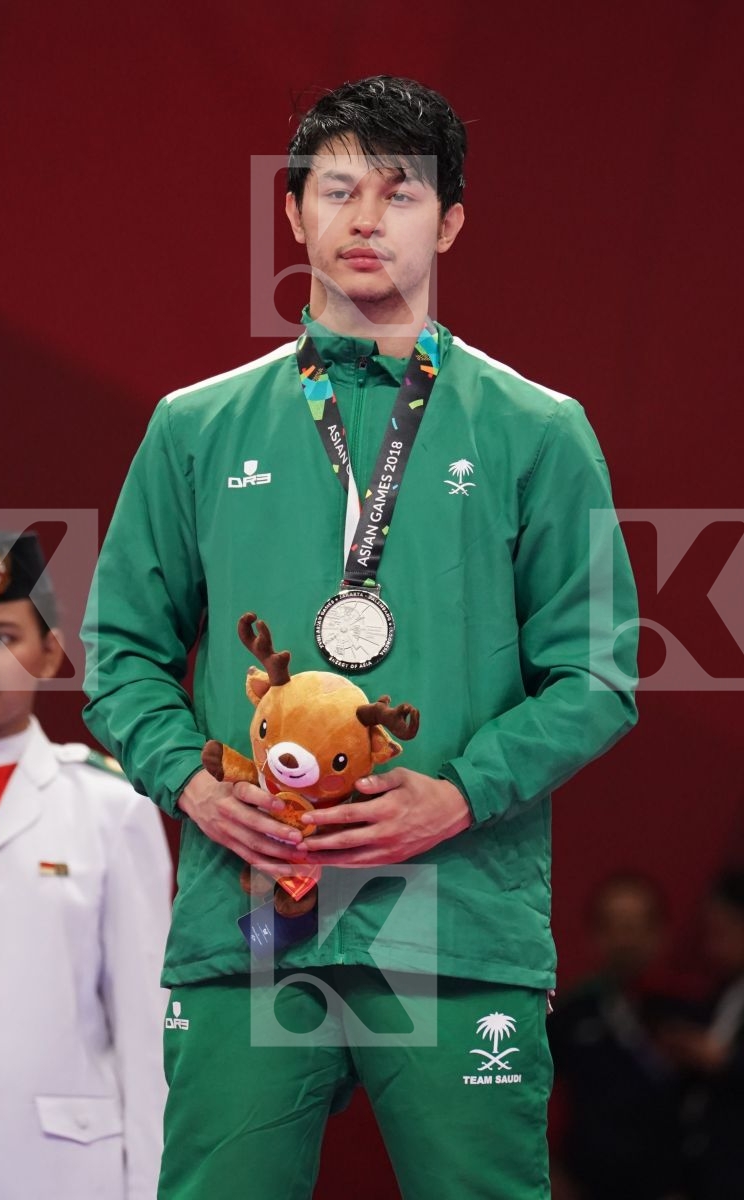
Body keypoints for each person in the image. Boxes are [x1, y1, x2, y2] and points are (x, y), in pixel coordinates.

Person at [81, 75, 639, 1199]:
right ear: (292, 217)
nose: (365, 218)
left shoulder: (537, 430)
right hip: (249, 915)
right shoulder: (195, 428)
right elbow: (117, 655)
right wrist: (193, 784)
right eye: (336, 190)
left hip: (456, 915)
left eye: (399, 194)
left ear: (452, 223)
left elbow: (597, 674)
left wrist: (459, 791)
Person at [0, 529, 172, 1200]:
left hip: (65, 1170)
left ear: (51, 653)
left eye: (4, 636)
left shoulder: (110, 808)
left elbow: (145, 1028)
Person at [547, 873, 685, 1200]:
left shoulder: (689, 1012)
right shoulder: (569, 1014)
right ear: (595, 935)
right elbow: (525, 1097)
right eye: (614, 926)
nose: (625, 940)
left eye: (636, 927)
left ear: (659, 933)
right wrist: (551, 1171)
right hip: (584, 1186)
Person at [659, 868, 744, 1199]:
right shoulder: (722, 992)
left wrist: (725, 1060)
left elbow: (723, 1060)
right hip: (704, 1170)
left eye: (722, 933)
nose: (711, 947)